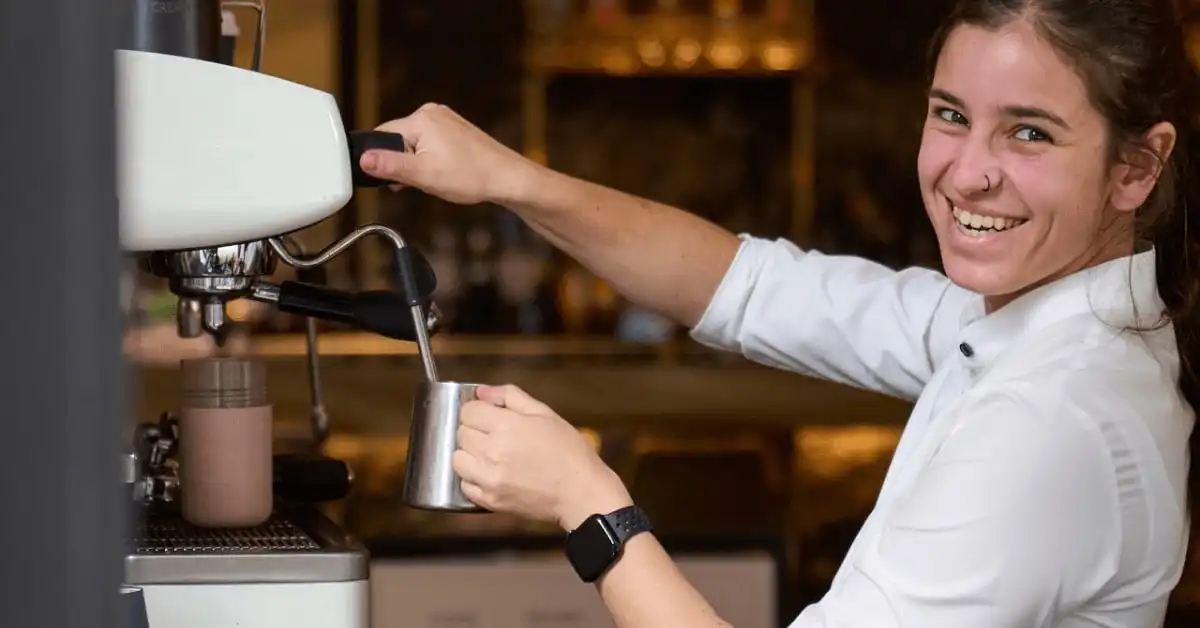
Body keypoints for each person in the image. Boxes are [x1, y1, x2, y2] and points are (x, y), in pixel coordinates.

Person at [358, 0, 1200, 625]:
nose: (966, 173)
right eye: (951, 116)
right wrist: (510, 177)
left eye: (1029, 134)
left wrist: (587, 502)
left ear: (1137, 168)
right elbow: (746, 285)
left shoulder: (1050, 421)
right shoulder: (1027, 325)